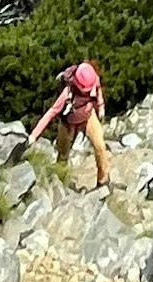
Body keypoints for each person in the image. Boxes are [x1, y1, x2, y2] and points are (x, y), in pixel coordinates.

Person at [29, 59, 110, 188]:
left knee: (100, 146)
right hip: (68, 123)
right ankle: (60, 183)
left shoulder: (93, 79)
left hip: (88, 116)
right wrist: (34, 136)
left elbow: (98, 91)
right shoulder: (67, 93)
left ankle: (103, 181)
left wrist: (101, 108)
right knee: (63, 154)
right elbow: (52, 112)